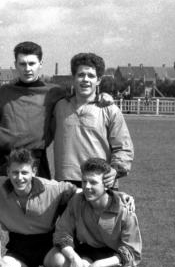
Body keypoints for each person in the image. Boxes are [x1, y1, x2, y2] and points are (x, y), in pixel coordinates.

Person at [41, 158, 141, 267]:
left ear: (106, 184)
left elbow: (131, 250)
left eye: (93, 182)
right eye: (84, 181)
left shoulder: (124, 208)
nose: (87, 187)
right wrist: (74, 258)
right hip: (88, 251)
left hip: (114, 256)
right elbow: (61, 232)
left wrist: (99, 264)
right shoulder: (77, 201)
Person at [51, 52, 134, 189]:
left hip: (99, 182)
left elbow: (123, 147)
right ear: (73, 78)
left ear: (99, 80)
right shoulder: (59, 107)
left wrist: (115, 170)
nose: (85, 79)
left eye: (91, 76)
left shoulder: (109, 109)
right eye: (81, 75)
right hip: (64, 184)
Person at [0, 41, 63, 178]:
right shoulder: (3, 92)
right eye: (22, 64)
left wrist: (102, 96)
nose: (27, 69)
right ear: (15, 65)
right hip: (5, 160)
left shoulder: (54, 92)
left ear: (40, 64)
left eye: (32, 63)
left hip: (36, 159)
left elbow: (79, 101)